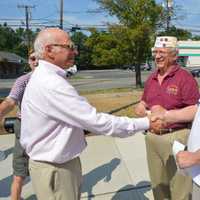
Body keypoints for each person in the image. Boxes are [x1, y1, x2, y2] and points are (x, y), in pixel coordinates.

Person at [20, 28, 161, 200]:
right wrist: (146, 123)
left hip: (57, 165)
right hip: (56, 169)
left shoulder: (45, 77)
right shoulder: (51, 83)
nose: (75, 51)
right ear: (49, 50)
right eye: (69, 46)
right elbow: (97, 122)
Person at [134, 36, 200, 200]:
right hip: (152, 138)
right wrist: (141, 106)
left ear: (175, 55)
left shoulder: (185, 78)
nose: (157, 56)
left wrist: (168, 116)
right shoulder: (152, 78)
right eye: (155, 52)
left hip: (176, 137)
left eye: (162, 52)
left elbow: (195, 110)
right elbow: (145, 100)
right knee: (158, 184)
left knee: (180, 188)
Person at [0, 51, 38, 200]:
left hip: (48, 128)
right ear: (28, 61)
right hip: (25, 126)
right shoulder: (24, 80)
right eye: (32, 58)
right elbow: (11, 100)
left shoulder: (56, 80)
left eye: (39, 58)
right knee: (20, 167)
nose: (36, 61)